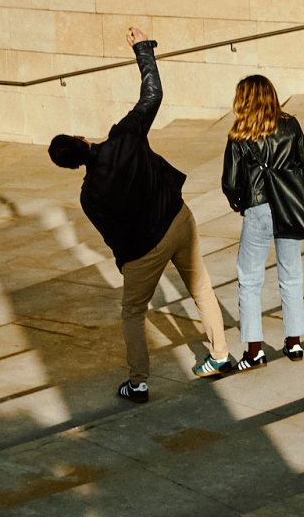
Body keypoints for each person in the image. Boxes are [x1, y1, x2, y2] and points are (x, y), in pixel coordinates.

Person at [48, 26, 233, 403]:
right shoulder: (125, 137)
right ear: (81, 138)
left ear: (72, 166)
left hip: (143, 250)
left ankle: (139, 382)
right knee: (200, 287)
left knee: (132, 312)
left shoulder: (89, 195)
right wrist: (142, 48)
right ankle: (219, 355)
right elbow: (152, 94)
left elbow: (113, 237)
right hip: (178, 220)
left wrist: (128, 266)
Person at [221, 74, 304, 370]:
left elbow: (230, 182)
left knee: (249, 279)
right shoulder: (290, 125)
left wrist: (240, 203)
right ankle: (294, 342)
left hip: (257, 208)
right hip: (289, 206)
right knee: (291, 275)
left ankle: (254, 351)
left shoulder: (239, 133)